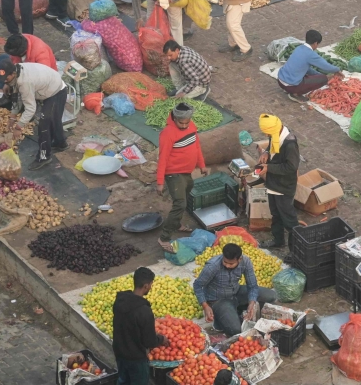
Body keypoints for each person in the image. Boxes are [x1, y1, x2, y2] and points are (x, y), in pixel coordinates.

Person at [0, 55, 69, 166]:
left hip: (56, 91)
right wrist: (12, 117)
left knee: (44, 124)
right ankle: (60, 143)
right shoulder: (16, 71)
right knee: (54, 118)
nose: (5, 81)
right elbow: (18, 97)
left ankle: (44, 157)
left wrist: (19, 127)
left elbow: (30, 108)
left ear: (13, 74)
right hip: (49, 86)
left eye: (6, 79)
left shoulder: (24, 82)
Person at [193, 242, 277, 337]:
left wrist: (251, 303)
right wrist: (205, 306)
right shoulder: (212, 266)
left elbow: (252, 286)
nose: (227, 265)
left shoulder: (245, 261)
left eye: (231, 263)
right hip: (218, 300)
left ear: (239, 259)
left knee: (271, 295)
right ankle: (224, 315)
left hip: (236, 292)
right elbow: (198, 285)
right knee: (236, 330)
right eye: (225, 262)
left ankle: (237, 310)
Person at [155, 102, 206, 253]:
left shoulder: (192, 126)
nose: (184, 126)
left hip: (186, 172)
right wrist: (159, 182)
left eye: (186, 123)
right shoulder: (168, 133)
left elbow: (196, 147)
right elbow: (162, 158)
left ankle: (176, 223)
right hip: (173, 173)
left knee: (185, 193)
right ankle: (164, 237)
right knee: (180, 204)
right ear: (175, 119)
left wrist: (202, 164)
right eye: (181, 123)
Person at [113, 266, 167, 385]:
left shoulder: (119, 301)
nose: (151, 287)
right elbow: (149, 341)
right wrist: (162, 339)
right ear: (146, 286)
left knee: (123, 380)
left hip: (119, 352)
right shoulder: (144, 311)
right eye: (151, 284)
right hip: (135, 358)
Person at [256, 114, 299, 251]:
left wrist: (269, 167)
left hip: (284, 186)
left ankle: (295, 251)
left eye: (267, 132)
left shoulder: (290, 143)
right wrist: (267, 153)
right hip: (273, 183)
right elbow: (272, 146)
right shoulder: (275, 133)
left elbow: (291, 167)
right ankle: (278, 241)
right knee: (276, 214)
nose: (266, 135)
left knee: (289, 220)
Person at [276, 29, 340, 99]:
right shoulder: (311, 54)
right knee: (323, 79)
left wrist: (318, 74)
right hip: (291, 86)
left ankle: (290, 89)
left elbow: (307, 69)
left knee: (310, 75)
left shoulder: (299, 48)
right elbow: (326, 67)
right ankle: (295, 94)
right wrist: (337, 70)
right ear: (315, 43)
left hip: (280, 80)